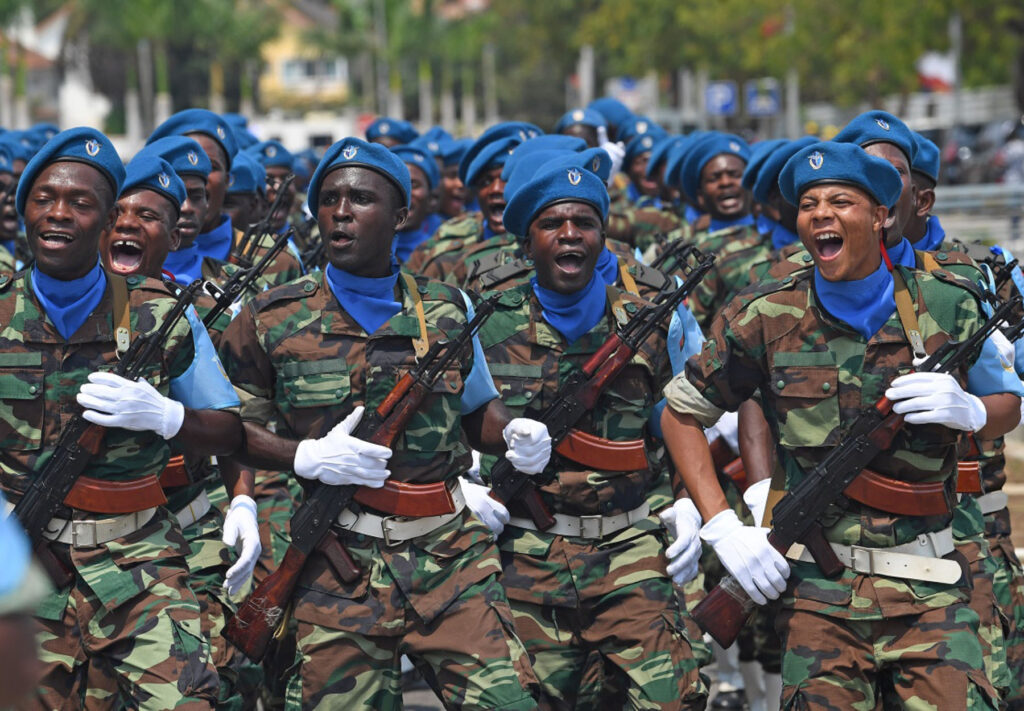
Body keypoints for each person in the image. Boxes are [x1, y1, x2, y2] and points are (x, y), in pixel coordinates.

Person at [661, 140, 1021, 708]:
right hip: (818, 596)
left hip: (933, 582)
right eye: (809, 204)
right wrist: (722, 526)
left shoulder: (948, 304)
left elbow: (1006, 403)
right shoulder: (765, 312)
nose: (821, 214)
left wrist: (973, 410)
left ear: (881, 215)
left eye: (841, 201)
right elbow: (681, 413)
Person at [217, 137, 548, 710]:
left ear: (400, 216)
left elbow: (476, 414)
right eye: (330, 199)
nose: (341, 211)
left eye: (361, 199)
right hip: (335, 558)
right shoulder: (271, 318)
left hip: (450, 556)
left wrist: (515, 433)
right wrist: (292, 464)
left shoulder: (447, 310)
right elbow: (231, 431)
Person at [1, 126, 246, 709]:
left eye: (80, 203)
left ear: (109, 219)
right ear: (23, 210)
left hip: (137, 561)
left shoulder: (159, 316)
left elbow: (230, 429)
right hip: (23, 561)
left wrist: (167, 418)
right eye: (44, 199)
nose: (58, 214)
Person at [471, 161, 708, 710]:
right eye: (553, 223)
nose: (570, 233)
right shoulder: (488, 323)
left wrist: (686, 503)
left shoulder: (649, 323)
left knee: (673, 699)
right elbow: (454, 423)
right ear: (527, 242)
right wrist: (468, 486)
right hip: (523, 555)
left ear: (604, 238)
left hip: (630, 551)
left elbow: (681, 424)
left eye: (585, 222)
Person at [99, 153, 262, 709]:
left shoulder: (180, 313)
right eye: (116, 211)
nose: (126, 224)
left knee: (213, 681)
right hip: (64, 541)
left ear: (171, 237)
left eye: (146, 216)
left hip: (180, 533)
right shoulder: (43, 305)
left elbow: (228, 424)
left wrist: (243, 504)